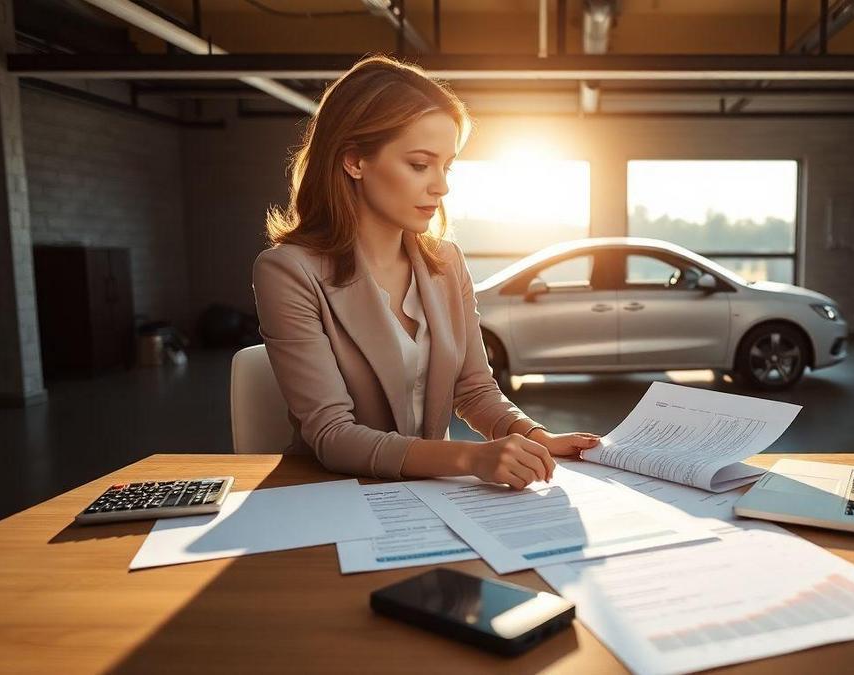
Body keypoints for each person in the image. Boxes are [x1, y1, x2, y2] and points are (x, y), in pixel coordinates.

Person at [252, 55, 600, 489]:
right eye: (420, 165)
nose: (442, 186)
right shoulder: (287, 271)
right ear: (354, 161)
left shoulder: (446, 262)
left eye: (446, 166)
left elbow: (474, 389)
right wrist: (472, 458)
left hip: (432, 496)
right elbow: (333, 436)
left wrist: (536, 436)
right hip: (336, 496)